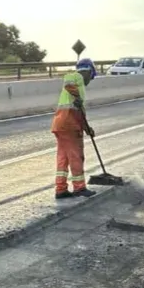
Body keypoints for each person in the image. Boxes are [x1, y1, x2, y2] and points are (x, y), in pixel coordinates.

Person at [51, 58, 97, 199]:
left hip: (60, 125)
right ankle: (79, 187)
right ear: (88, 71)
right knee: (76, 156)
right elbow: (68, 81)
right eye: (91, 76)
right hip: (70, 125)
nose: (90, 80)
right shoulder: (77, 76)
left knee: (63, 158)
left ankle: (60, 189)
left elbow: (80, 113)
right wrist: (77, 96)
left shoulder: (79, 88)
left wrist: (87, 128)